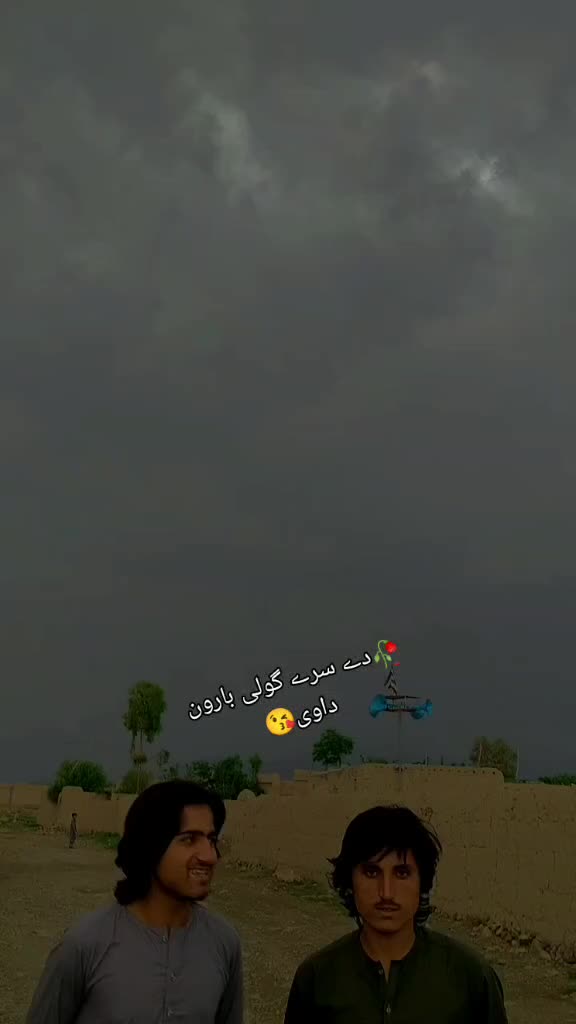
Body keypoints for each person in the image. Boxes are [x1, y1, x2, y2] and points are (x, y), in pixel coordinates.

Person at [27, 779, 243, 1024]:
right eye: (189, 839)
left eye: (211, 839)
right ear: (152, 846)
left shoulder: (224, 943)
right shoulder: (84, 946)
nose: (210, 856)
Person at [284, 804, 508, 1023]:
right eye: (372, 872)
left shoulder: (471, 977)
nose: (387, 893)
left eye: (402, 873)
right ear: (350, 880)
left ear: (422, 882)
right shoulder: (316, 978)